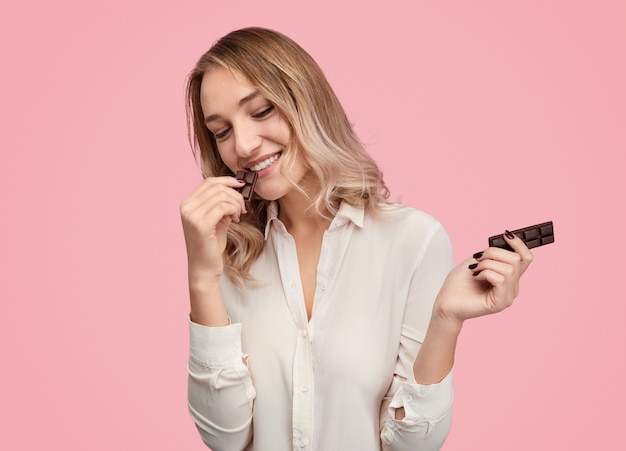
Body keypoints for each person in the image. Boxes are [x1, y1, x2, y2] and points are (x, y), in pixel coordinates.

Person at [180, 27, 533, 451]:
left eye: (261, 111)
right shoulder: (225, 255)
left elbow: (411, 446)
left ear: (307, 101)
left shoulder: (414, 241)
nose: (244, 144)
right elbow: (224, 438)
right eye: (221, 132)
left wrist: (446, 320)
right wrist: (202, 276)